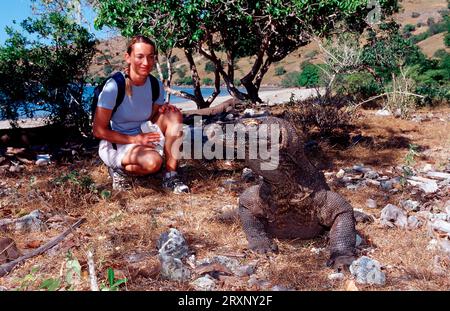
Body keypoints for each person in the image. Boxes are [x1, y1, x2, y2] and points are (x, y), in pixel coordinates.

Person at [93, 35, 189, 193]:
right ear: (128, 57)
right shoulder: (114, 87)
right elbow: (98, 131)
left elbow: (148, 118)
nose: (146, 63)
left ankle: (171, 176)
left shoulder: (154, 85)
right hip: (116, 143)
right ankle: (119, 170)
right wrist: (135, 139)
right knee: (153, 163)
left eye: (150, 57)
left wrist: (161, 111)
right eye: (140, 57)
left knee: (174, 115)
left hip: (143, 137)